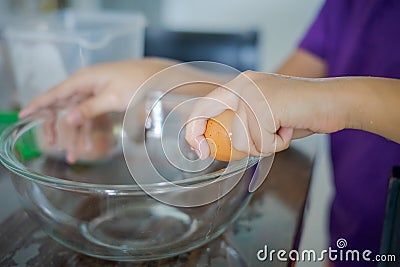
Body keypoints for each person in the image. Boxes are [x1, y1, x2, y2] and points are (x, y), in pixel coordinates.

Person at [19, 1, 400, 266]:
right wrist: (159, 77)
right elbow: (277, 93)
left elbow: (313, 97)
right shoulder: (347, 5)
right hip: (351, 241)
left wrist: (342, 100)